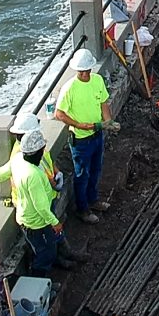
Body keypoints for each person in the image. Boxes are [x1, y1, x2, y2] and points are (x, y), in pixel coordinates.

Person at [55, 48, 115, 223]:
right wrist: (79, 125)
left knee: (95, 169)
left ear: (90, 69)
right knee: (82, 174)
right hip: (80, 140)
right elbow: (59, 114)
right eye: (80, 71)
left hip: (96, 135)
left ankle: (93, 200)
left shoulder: (97, 81)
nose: (83, 73)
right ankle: (82, 209)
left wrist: (108, 121)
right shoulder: (69, 88)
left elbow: (103, 103)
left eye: (85, 70)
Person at [6, 130, 74, 274]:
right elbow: (41, 207)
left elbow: (4, 171)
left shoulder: (18, 160)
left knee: (49, 246)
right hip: (37, 223)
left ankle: (54, 263)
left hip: (31, 218)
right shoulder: (34, 175)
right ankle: (39, 280)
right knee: (45, 253)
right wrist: (54, 222)